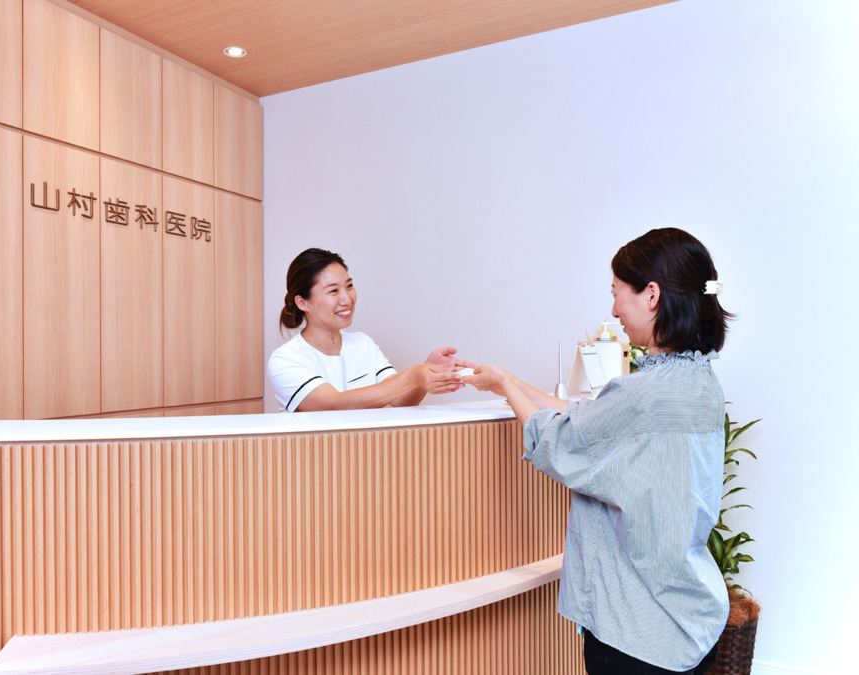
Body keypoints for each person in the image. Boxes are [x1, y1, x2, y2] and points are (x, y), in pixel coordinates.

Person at [463, 228, 732, 674]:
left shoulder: (644, 394)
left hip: (639, 634)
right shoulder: (698, 382)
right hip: (692, 624)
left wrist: (507, 388)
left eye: (616, 292)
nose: (613, 309)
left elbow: (559, 441)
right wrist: (508, 381)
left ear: (651, 295)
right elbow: (591, 419)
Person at [268, 247, 474, 412]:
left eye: (349, 286)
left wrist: (427, 370)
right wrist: (413, 376)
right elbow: (333, 405)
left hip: (369, 450)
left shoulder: (362, 343)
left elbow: (401, 400)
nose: (347, 299)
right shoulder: (286, 359)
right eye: (333, 291)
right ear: (302, 302)